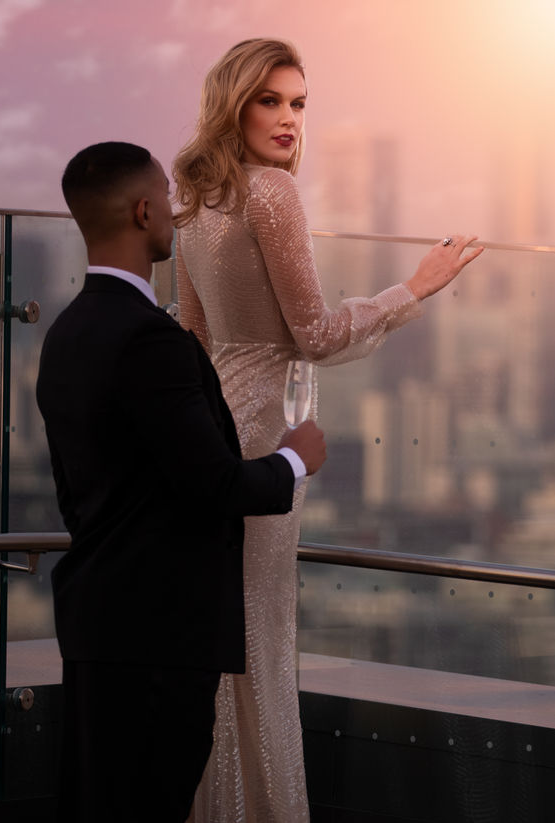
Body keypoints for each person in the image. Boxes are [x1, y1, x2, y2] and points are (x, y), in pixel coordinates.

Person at [173, 38, 484, 822]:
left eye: (298, 103)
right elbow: (311, 333)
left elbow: (192, 335)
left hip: (210, 432)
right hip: (266, 440)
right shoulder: (271, 194)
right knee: (261, 634)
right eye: (269, 100)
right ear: (233, 104)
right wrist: (410, 289)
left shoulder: (196, 196)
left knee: (218, 637)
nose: (287, 119)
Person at [35, 141, 327, 823]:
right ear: (141, 211)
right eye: (164, 196)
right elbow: (216, 485)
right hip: (159, 637)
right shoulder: (151, 342)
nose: (172, 210)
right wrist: (293, 458)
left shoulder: (68, 331)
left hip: (96, 621)